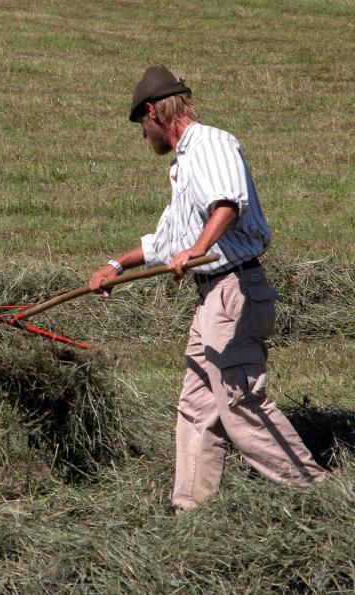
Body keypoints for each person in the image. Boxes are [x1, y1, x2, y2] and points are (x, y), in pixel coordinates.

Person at [89, 65, 326, 510]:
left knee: (240, 403)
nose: (144, 138)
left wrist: (197, 248)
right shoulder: (183, 168)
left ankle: (319, 495)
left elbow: (227, 204)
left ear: (152, 113)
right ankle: (190, 514)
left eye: (141, 126)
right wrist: (114, 265)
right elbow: (164, 242)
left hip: (235, 291)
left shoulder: (211, 144)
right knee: (197, 408)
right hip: (212, 297)